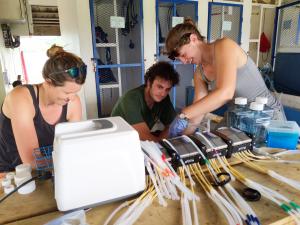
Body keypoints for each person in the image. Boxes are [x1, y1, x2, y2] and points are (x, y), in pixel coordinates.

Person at [165, 21, 285, 137]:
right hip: (238, 118)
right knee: (213, 147)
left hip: (266, 115)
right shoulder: (199, 74)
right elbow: (197, 115)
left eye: (183, 55)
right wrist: (179, 140)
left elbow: (226, 92)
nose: (184, 62)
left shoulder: (224, 46)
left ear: (193, 39)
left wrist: (184, 114)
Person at [0, 44, 87, 172]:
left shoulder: (73, 102)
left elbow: (71, 146)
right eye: (67, 92)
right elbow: (31, 161)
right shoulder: (21, 98)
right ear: (48, 81)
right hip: (10, 172)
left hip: (48, 167)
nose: (71, 97)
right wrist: (73, 160)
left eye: (76, 92)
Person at [111, 61, 179, 141]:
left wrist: (162, 139)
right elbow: (144, 136)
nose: (163, 93)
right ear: (149, 82)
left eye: (167, 89)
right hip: (117, 142)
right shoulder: (131, 98)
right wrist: (162, 142)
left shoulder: (163, 98)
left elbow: (173, 125)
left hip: (135, 140)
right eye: (160, 87)